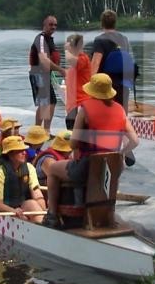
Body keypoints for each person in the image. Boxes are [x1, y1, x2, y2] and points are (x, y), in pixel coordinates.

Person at [43, 73, 139, 228]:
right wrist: (120, 153)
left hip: (88, 167)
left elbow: (73, 144)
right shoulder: (120, 110)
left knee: (53, 169)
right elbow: (135, 141)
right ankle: (108, 214)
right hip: (114, 167)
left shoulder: (85, 109)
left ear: (92, 91)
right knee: (109, 173)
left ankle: (52, 215)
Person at [0, 136, 47, 223]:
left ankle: (43, 226)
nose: (24, 153)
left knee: (33, 204)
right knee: (24, 219)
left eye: (24, 150)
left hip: (21, 205)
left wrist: (44, 211)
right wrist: (13, 211)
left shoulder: (30, 168)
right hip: (3, 208)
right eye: (19, 151)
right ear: (10, 154)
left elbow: (37, 194)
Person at [91, 9, 135, 112]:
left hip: (105, 85)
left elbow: (95, 63)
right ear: (115, 23)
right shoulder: (124, 39)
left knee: (104, 114)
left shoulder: (100, 40)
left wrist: (89, 85)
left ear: (102, 23)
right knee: (121, 114)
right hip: (123, 84)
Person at [29, 15, 64, 134]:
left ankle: (43, 131)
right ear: (44, 25)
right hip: (38, 74)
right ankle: (40, 131)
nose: (53, 27)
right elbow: (43, 60)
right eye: (51, 24)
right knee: (47, 103)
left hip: (45, 75)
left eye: (55, 25)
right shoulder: (41, 39)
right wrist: (61, 70)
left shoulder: (50, 40)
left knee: (49, 103)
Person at [64, 33, 91, 130]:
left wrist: (67, 50)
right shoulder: (76, 60)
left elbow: (70, 59)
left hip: (81, 103)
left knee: (75, 137)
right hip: (73, 105)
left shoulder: (83, 59)